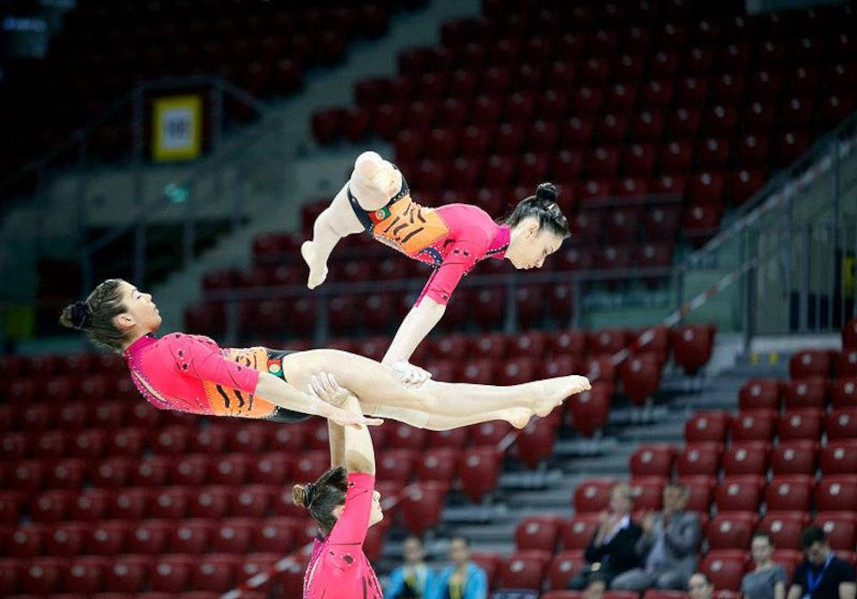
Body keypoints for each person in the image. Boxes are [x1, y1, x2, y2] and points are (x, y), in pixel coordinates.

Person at [60, 279, 590, 431]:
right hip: (293, 376)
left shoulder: (142, 380)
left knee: (413, 411)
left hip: (280, 410)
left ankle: (505, 410)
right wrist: (330, 409)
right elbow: (249, 382)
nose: (149, 296)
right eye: (137, 296)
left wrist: (306, 411)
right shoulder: (170, 350)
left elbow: (232, 404)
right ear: (125, 321)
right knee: (416, 395)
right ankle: (532, 394)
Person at [301, 151, 570, 383]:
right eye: (545, 251)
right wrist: (395, 360)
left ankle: (316, 258)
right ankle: (372, 167)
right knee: (370, 173)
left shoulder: (487, 238)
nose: (540, 263)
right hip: (389, 200)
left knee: (327, 227)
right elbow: (434, 298)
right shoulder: (481, 235)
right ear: (531, 229)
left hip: (372, 222)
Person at [294, 374, 383, 598]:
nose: (377, 494)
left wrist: (335, 409)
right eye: (368, 495)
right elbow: (361, 469)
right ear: (343, 512)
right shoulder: (338, 555)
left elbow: (342, 469)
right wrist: (349, 401)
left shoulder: (334, 550)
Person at [610, 482, 701, 591]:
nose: (670, 501)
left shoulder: (690, 519)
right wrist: (647, 534)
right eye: (667, 496)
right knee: (618, 583)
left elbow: (685, 547)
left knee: (663, 582)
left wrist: (667, 529)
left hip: (676, 570)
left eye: (674, 497)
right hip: (651, 570)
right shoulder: (655, 518)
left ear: (684, 501)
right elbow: (638, 551)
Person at [569, 483, 644, 589]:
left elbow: (628, 555)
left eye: (622, 500)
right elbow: (589, 556)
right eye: (614, 500)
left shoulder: (634, 528)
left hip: (619, 569)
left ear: (631, 503)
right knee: (575, 583)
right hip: (598, 567)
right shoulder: (604, 525)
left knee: (596, 579)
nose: (618, 503)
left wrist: (612, 536)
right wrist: (601, 536)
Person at [787, 526, 856, 599]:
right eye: (807, 554)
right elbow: (793, 595)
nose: (811, 558)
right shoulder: (802, 568)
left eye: (815, 553)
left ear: (825, 545)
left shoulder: (843, 567)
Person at [741, 531, 787, 599]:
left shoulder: (777, 571)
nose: (759, 553)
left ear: (772, 548)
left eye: (763, 549)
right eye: (756, 549)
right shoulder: (747, 578)